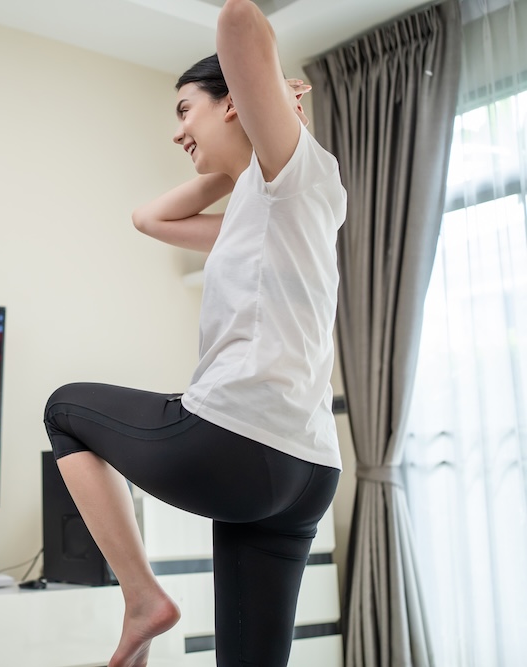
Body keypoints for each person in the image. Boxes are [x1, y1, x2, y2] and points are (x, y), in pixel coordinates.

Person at [42, 2, 346, 666]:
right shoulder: (261, 202)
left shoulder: (292, 174)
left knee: (65, 408)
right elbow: (148, 218)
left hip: (240, 442)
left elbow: (240, 18)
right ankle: (146, 599)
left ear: (235, 100)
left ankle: (143, 596)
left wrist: (271, 94)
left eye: (186, 109)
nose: (179, 131)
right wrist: (229, 157)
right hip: (307, 467)